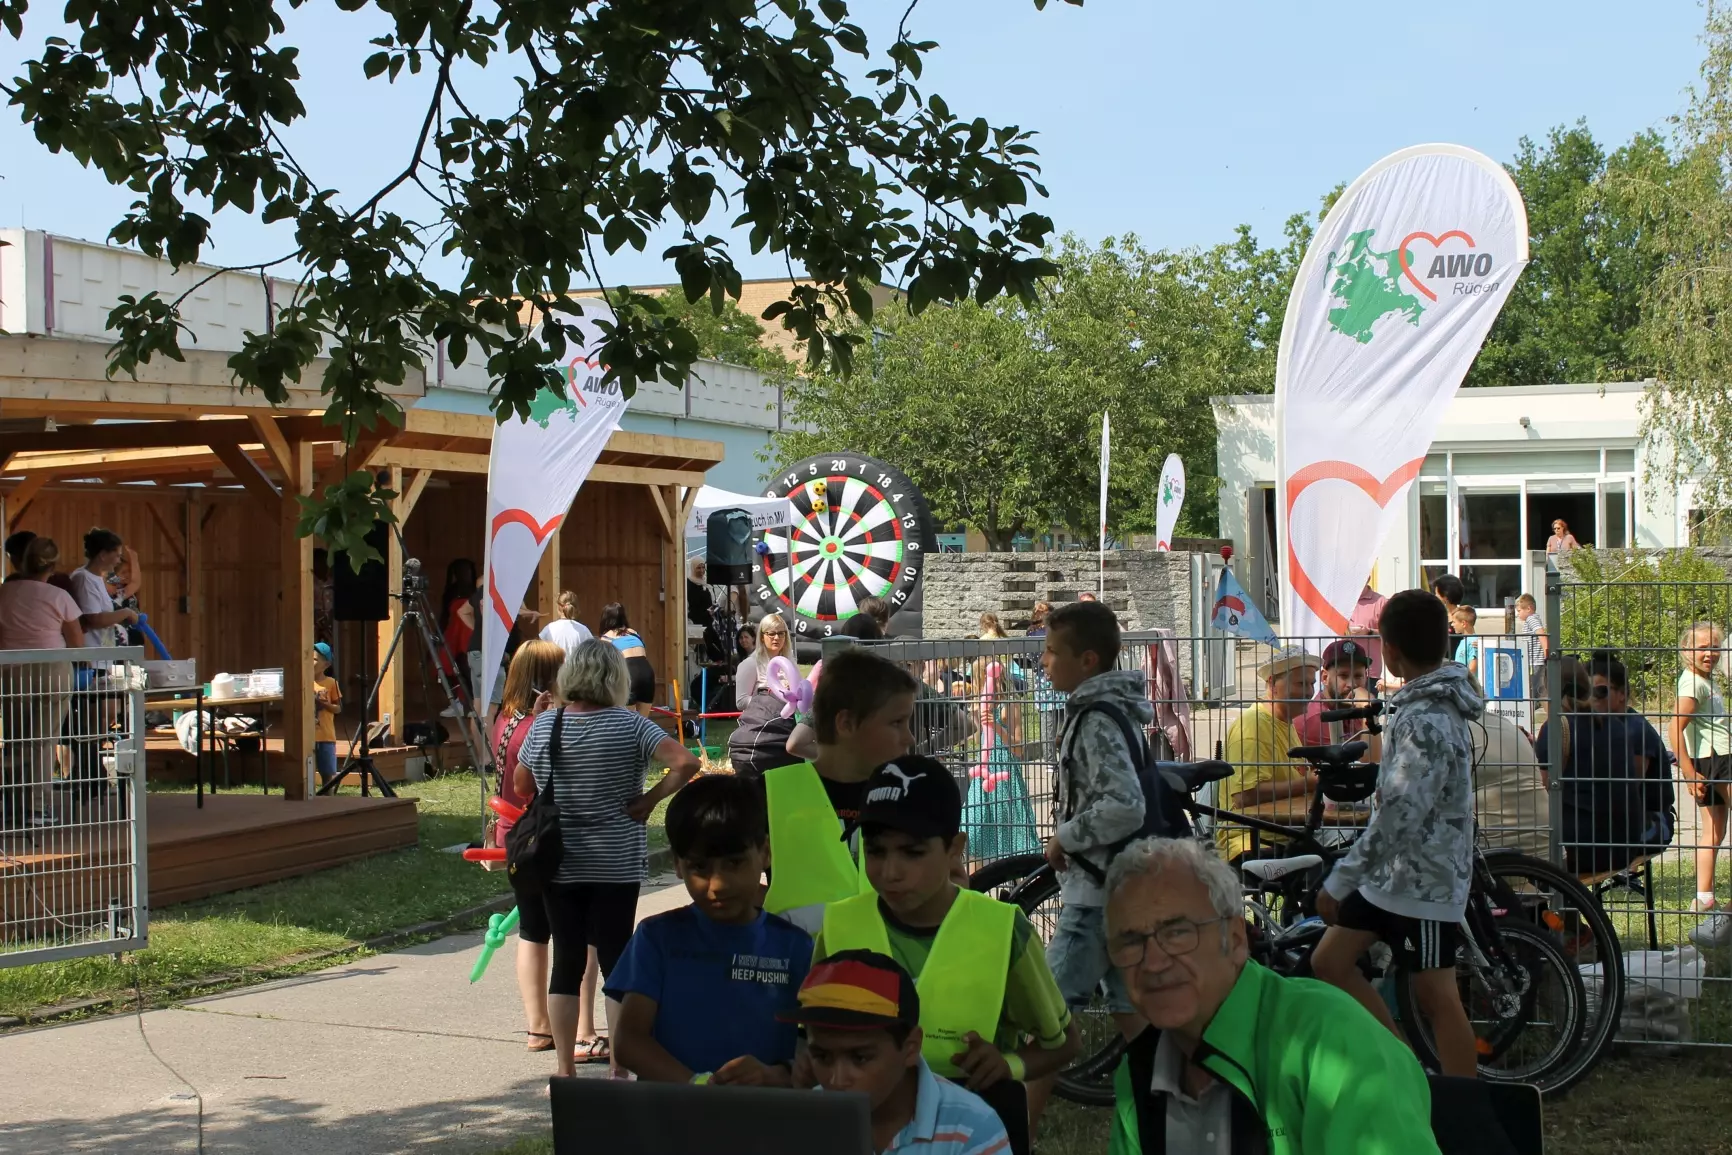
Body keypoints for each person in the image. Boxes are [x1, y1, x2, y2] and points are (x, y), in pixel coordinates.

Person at [1105, 837, 1441, 1154]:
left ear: (1236, 939)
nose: (1153, 961)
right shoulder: (1140, 1072)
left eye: (1177, 932)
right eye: (1130, 941)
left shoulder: (1334, 1044)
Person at [816, 757, 1078, 1155]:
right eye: (876, 851)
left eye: (912, 853)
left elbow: (1063, 1043)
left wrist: (1009, 1065)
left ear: (955, 848)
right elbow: (810, 1042)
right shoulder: (837, 927)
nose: (890, 872)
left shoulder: (1003, 931)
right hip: (858, 1130)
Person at [1312, 589, 1480, 1078]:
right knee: (1330, 962)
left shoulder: (1427, 717)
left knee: (1436, 996)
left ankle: (1464, 1112)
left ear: (1391, 651)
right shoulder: (1420, 706)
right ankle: (1404, 1069)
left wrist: (1342, 879)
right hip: (1392, 878)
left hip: (1425, 882)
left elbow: (1400, 815)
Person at [515, 638, 701, 1079]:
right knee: (617, 959)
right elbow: (687, 762)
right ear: (615, 679)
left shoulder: (547, 725)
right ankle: (620, 1066)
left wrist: (541, 729)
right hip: (615, 861)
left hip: (559, 861)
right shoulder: (631, 726)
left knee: (567, 960)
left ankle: (564, 1070)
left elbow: (523, 786)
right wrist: (650, 799)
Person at [609, 774, 811, 1084]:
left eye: (734, 863)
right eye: (700, 867)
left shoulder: (796, 947)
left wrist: (775, 1076)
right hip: (672, 1123)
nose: (717, 885)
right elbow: (628, 1042)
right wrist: (698, 1087)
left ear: (766, 852)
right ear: (678, 865)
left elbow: (820, 1050)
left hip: (768, 1122)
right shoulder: (656, 939)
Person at [1031, 599, 1149, 1128]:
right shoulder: (1110, 712)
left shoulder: (1095, 720)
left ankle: (1013, 1136)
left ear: (1088, 660)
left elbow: (1125, 804)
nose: (1043, 661)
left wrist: (1066, 838)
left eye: (1053, 651)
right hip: (1119, 888)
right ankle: (1161, 1121)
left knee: (1044, 1021)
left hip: (1095, 896)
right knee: (1137, 1021)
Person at [491, 641, 605, 1058]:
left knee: (533, 932)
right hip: (549, 836)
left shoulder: (504, 720)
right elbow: (535, 782)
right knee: (578, 936)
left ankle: (538, 1026)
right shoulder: (542, 723)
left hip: (516, 834)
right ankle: (581, 1028)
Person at [784, 949, 1013, 1155]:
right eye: (822, 1057)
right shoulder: (803, 1125)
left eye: (860, 1057)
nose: (837, 1079)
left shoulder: (971, 1129)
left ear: (911, 1047)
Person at [761, 647, 918, 935]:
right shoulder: (768, 796)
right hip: (799, 975)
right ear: (845, 723)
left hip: (888, 973)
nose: (910, 737)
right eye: (897, 722)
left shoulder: (911, 799)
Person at [1534, 655, 1651, 878]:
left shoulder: (1556, 728)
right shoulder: (1614, 724)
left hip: (1579, 849)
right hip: (1622, 847)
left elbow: (1542, 787)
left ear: (1550, 691)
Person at [0, 537, 85, 828]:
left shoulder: (4, 593)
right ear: (52, 564)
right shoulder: (59, 596)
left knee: (16, 739)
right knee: (43, 741)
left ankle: (13, 804)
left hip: (11, 670)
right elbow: (77, 641)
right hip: (53, 671)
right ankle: (38, 808)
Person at [1216, 647, 1322, 864]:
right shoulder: (1253, 725)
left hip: (1284, 833)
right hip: (1252, 840)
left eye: (1312, 684)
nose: (1309, 691)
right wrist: (1309, 783)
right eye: (1301, 684)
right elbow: (1244, 796)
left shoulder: (1285, 722)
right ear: (1273, 684)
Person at [1669, 622, 1732, 947]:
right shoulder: (1694, 683)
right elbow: (1674, 729)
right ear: (1687, 651)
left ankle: (1704, 897)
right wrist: (1690, 772)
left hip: (1711, 758)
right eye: (1702, 647)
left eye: (1715, 647)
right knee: (1713, 831)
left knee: (1714, 832)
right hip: (1717, 759)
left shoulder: (1704, 680)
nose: (1710, 653)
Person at [1589, 650, 1674, 855]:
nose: (1591, 698)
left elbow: (1628, 790)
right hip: (1620, 819)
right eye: (1586, 691)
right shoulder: (1600, 726)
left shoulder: (1634, 730)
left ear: (1622, 694)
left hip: (1652, 822)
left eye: (1600, 691)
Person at [727, 614, 802, 777]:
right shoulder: (749, 664)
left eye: (781, 633)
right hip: (760, 734)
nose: (777, 638)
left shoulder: (790, 662)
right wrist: (771, 699)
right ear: (762, 636)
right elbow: (741, 702)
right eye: (771, 633)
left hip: (790, 729)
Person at [1292, 638, 1381, 762]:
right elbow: (1369, 763)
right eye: (1343, 676)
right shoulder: (1317, 718)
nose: (1352, 684)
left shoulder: (1353, 707)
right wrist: (1369, 709)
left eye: (1358, 676)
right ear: (1325, 677)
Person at [68, 528, 137, 648]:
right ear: (103, 555)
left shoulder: (96, 577)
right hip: (91, 656)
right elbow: (95, 619)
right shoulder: (84, 578)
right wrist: (126, 612)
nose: (118, 561)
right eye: (117, 556)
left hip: (101, 655)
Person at [598, 601, 657, 716]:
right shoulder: (634, 633)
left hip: (630, 672)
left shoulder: (606, 638)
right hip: (647, 672)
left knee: (627, 720)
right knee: (643, 722)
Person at [440, 558, 478, 684]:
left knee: (468, 669)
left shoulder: (477, 590)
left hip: (470, 633)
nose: (463, 574)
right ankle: (457, 702)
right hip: (453, 634)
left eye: (466, 570)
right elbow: (444, 616)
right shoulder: (450, 592)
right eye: (459, 571)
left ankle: (472, 700)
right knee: (443, 670)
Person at [312, 642, 342, 786]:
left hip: (326, 735)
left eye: (315, 659)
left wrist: (323, 704)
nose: (310, 662)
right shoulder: (303, 681)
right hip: (308, 737)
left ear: (326, 664)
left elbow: (338, 708)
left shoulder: (331, 683)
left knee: (327, 774)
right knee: (307, 772)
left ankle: (328, 798)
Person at [107, 544, 143, 648]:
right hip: (119, 640)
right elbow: (135, 582)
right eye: (124, 572)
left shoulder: (123, 591)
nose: (128, 575)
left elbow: (135, 582)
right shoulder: (115, 594)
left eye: (130, 571)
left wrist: (134, 559)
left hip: (133, 637)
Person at [538, 589, 594, 657]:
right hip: (575, 667)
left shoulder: (549, 629)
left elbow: (539, 654)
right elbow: (592, 654)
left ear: (558, 607)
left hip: (554, 667)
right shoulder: (584, 630)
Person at [1515, 593, 1547, 689]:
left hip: (1535, 662)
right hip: (1532, 661)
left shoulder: (1531, 619)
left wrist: (1546, 653)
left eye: (1519, 611)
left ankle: (1535, 703)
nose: (1518, 614)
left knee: (1533, 687)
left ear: (1528, 609)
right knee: (1533, 687)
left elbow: (1541, 635)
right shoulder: (1531, 620)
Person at [1451, 605, 1481, 684]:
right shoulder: (1464, 640)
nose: (1452, 625)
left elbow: (1472, 667)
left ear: (1463, 623)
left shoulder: (1473, 642)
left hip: (1467, 686)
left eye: (1454, 622)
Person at [686, 558, 716, 628]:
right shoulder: (689, 583)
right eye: (698, 568)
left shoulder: (707, 581)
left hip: (709, 621)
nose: (701, 570)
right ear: (693, 568)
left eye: (703, 567)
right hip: (696, 622)